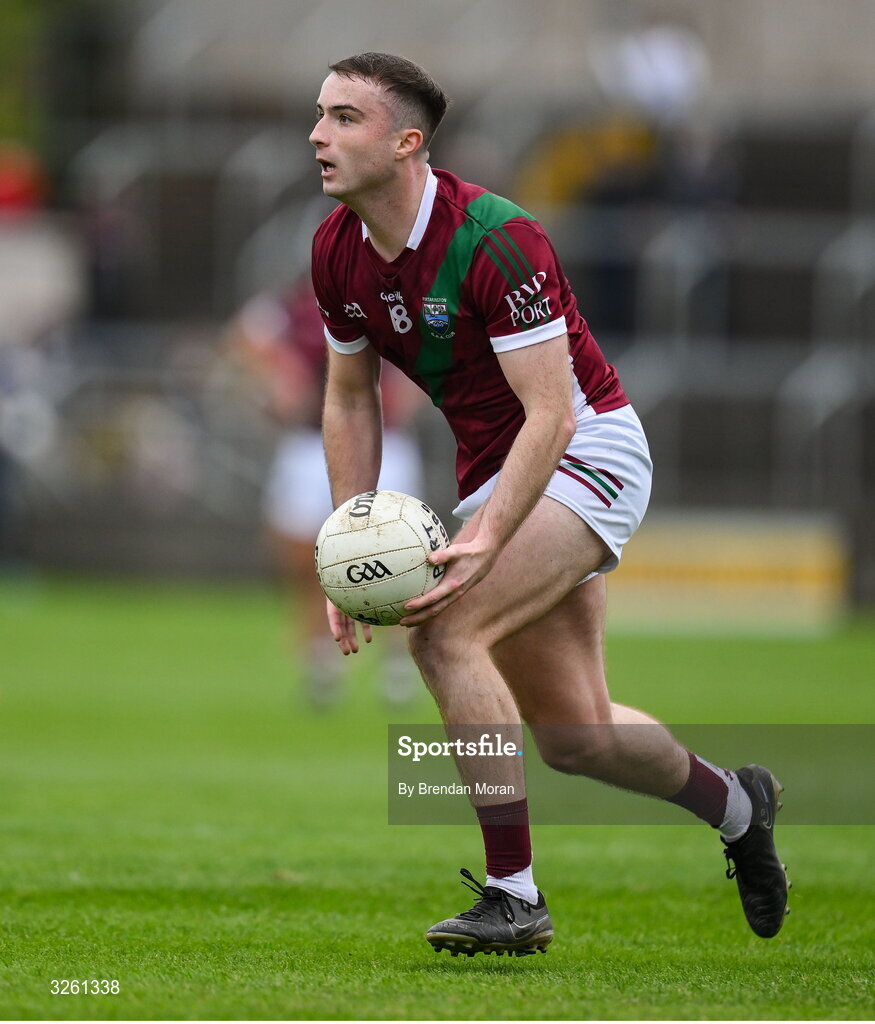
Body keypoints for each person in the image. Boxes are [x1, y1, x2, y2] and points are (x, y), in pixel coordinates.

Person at [308, 52, 789, 955]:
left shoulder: (496, 237)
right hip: (504, 472)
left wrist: (486, 538)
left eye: (343, 118)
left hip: (588, 448)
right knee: (577, 735)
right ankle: (737, 806)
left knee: (444, 630)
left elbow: (552, 411)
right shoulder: (335, 249)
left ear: (406, 142)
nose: (317, 136)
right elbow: (347, 397)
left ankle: (513, 896)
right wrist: (350, 543)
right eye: (320, 115)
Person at [231, 276, 425, 706]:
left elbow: (436, 337)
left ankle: (398, 661)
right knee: (304, 556)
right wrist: (278, 375)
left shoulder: (396, 295)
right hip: (309, 439)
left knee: (398, 558)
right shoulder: (295, 304)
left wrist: (413, 388)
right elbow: (246, 334)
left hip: (382, 436)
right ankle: (321, 656)